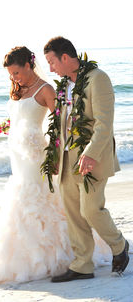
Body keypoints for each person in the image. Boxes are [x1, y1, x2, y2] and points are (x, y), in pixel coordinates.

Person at [0, 46, 111, 286]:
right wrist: (1, 127)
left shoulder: (45, 89)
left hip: (36, 155)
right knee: (22, 198)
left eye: (16, 72)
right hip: (17, 154)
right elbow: (18, 119)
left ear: (28, 65)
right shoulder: (19, 89)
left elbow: (61, 122)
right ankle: (28, 254)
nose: (13, 78)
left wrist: (57, 156)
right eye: (10, 74)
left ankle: (69, 254)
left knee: (38, 199)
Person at [43, 36, 129, 282]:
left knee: (91, 209)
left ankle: (119, 245)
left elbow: (104, 123)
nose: (50, 68)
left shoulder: (97, 78)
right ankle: (82, 265)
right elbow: (61, 123)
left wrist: (90, 153)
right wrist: (56, 155)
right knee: (73, 213)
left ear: (66, 58)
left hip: (93, 157)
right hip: (68, 157)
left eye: (52, 62)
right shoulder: (63, 86)